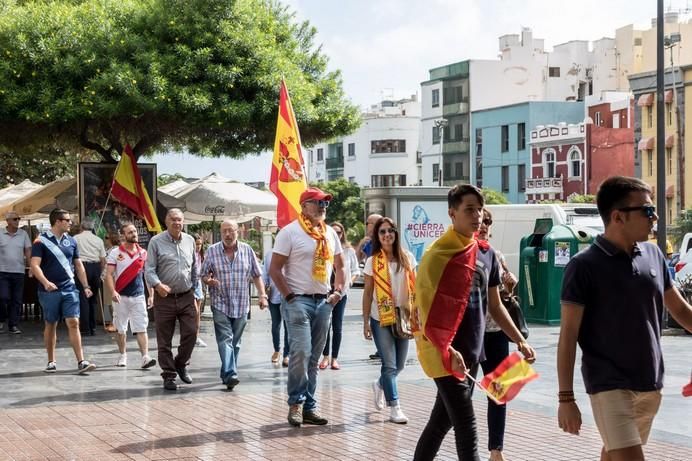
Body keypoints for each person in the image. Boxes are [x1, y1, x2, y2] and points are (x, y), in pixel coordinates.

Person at [558, 176, 692, 461]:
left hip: (650, 383)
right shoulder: (583, 266)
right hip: (609, 385)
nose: (654, 216)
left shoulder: (654, 254)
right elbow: (568, 335)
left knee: (614, 454)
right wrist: (566, 399)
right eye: (646, 210)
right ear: (617, 216)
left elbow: (680, 311)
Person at [413, 185, 536, 461]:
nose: (477, 215)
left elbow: (495, 304)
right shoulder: (437, 255)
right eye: (469, 209)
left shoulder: (487, 253)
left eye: (480, 209)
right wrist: (446, 349)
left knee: (440, 422)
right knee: (466, 424)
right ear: (452, 214)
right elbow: (424, 310)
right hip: (443, 354)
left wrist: (520, 340)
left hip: (471, 350)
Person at [269, 187, 346, 427]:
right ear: (304, 206)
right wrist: (290, 297)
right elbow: (274, 269)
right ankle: (296, 404)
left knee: (314, 358)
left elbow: (341, 266)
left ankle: (309, 408)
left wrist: (337, 292)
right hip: (297, 300)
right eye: (317, 202)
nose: (323, 207)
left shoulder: (330, 234)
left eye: (325, 203)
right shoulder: (290, 232)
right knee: (300, 353)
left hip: (323, 301)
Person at [201, 219, 268, 391]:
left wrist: (262, 295)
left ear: (238, 231)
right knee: (225, 338)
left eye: (231, 230)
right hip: (220, 301)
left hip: (241, 303)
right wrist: (209, 280)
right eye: (224, 231)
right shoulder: (212, 250)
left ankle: (227, 372)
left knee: (235, 342)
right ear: (220, 233)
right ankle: (231, 373)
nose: (228, 234)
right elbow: (203, 275)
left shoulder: (247, 250)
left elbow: (256, 274)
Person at [362, 217, 416, 424]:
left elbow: (416, 286)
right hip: (380, 317)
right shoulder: (372, 261)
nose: (387, 235)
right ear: (377, 236)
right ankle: (395, 407)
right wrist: (366, 322)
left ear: (396, 233)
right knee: (390, 365)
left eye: (390, 231)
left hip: (403, 315)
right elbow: (367, 293)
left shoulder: (408, 258)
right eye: (382, 232)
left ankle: (380, 384)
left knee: (399, 365)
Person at [30, 208, 97, 374]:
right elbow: (34, 265)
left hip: (69, 288)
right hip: (49, 291)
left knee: (74, 322)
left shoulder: (72, 241)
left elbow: (78, 264)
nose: (71, 223)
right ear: (58, 221)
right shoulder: (41, 241)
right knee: (51, 324)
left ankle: (81, 361)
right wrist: (45, 282)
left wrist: (86, 286)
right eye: (67, 220)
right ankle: (51, 361)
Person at [476, 208, 518, 461]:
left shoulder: (497, 255)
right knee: (461, 395)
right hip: (470, 335)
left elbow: (502, 298)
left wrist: (510, 284)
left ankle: (496, 450)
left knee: (500, 392)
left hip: (497, 333)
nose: (483, 226)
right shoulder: (463, 255)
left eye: (488, 222)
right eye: (481, 221)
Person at [145, 208, 198, 391]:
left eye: (180, 220)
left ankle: (181, 362)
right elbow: (149, 269)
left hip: (186, 296)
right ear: (166, 222)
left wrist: (195, 290)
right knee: (164, 339)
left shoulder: (190, 240)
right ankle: (169, 375)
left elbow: (195, 268)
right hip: (164, 298)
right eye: (173, 219)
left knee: (191, 333)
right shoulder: (156, 242)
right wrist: (158, 285)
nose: (177, 223)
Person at [104, 223, 156, 369]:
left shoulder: (143, 253)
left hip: (138, 296)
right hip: (121, 296)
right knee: (121, 329)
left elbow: (147, 276)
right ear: (123, 235)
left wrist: (151, 294)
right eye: (130, 232)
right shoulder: (115, 253)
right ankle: (123, 355)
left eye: (135, 231)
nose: (134, 234)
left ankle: (145, 357)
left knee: (141, 327)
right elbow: (108, 274)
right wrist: (113, 291)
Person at [319, 221, 359, 370]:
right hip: (325, 291)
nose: (337, 234)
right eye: (334, 232)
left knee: (337, 325)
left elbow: (355, 271)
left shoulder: (348, 251)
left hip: (341, 293)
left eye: (339, 232)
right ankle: (325, 357)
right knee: (325, 325)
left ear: (343, 234)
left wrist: (349, 282)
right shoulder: (324, 247)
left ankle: (334, 358)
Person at [0, 211, 32, 334]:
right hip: (2, 271)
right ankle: (1, 318)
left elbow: (28, 251)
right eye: (14, 219)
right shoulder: (0, 233)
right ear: (7, 221)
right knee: (3, 297)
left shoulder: (23, 234)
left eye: (18, 219)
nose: (17, 221)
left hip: (19, 271)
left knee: (17, 299)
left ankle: (13, 325)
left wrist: (31, 267)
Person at [73, 219, 106, 335]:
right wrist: (100, 272)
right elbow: (103, 260)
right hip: (96, 268)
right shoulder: (98, 240)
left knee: (83, 298)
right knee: (93, 299)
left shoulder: (76, 238)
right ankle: (93, 327)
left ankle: (85, 329)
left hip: (82, 267)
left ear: (81, 227)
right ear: (92, 228)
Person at [357, 213, 382, 360]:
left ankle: (384, 348)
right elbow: (356, 259)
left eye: (369, 223)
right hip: (371, 285)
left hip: (384, 285)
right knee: (374, 315)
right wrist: (361, 244)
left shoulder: (384, 239)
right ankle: (380, 347)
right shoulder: (367, 242)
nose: (367, 226)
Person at [264, 250, 290, 367]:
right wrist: (265, 288)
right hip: (274, 294)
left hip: (289, 295)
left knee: (288, 325)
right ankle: (276, 350)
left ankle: (287, 354)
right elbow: (265, 272)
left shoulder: (292, 252)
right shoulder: (270, 254)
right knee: (275, 324)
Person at [193, 234, 207, 348]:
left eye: (200, 244)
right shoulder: (189, 255)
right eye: (196, 244)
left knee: (198, 314)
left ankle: (196, 337)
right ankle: (190, 336)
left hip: (198, 284)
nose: (198, 246)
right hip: (190, 284)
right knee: (194, 311)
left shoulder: (201, 255)